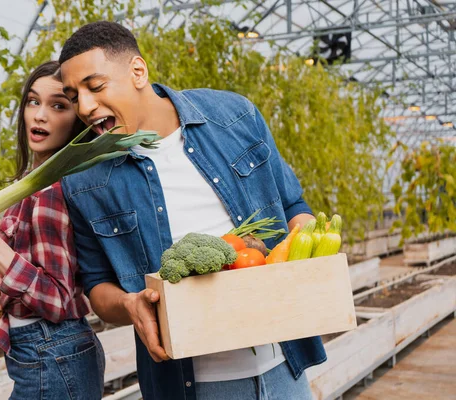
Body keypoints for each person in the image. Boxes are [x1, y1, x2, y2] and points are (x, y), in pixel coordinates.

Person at [57, 21, 325, 400]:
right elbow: (98, 286)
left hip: (284, 367)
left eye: (95, 87)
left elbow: (293, 204)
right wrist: (129, 303)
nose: (84, 107)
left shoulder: (234, 116)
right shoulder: (85, 181)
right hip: (190, 385)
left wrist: (309, 243)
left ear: (138, 71)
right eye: (73, 96)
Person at [0, 60, 105, 400]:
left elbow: (55, 300)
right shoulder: (26, 187)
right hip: (46, 354)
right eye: (33, 101)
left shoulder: (54, 192)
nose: (39, 115)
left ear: (77, 120)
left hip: (53, 354)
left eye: (58, 106)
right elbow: (24, 273)